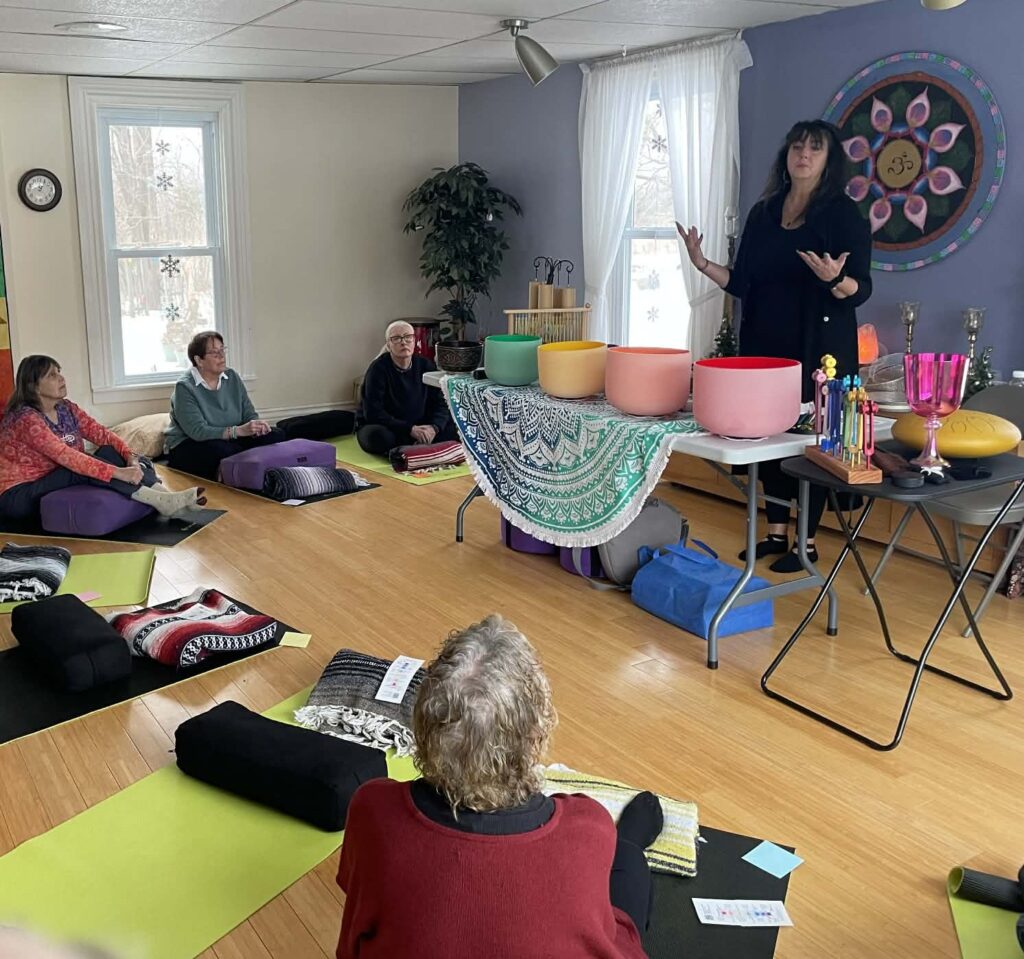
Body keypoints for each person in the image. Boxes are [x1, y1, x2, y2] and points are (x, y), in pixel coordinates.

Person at [336, 614, 661, 959]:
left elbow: (355, 931)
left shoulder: (373, 808)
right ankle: (632, 841)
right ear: (537, 730)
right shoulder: (586, 826)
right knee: (623, 870)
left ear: (423, 725)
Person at [678, 119, 873, 573]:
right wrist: (703, 263)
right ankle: (776, 533)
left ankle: (806, 543)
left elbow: (861, 289)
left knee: (811, 444)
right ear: (786, 156)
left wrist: (834, 279)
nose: (803, 155)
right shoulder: (764, 213)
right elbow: (743, 282)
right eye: (797, 147)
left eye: (815, 149)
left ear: (829, 160)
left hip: (819, 349)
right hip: (765, 349)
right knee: (768, 440)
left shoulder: (842, 214)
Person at [0, 356, 205, 521]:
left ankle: (168, 498)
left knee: (108, 451)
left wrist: (129, 458)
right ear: (34, 386)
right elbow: (67, 457)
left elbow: (102, 434)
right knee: (76, 466)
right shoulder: (25, 419)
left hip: (51, 480)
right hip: (17, 495)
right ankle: (164, 501)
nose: (61, 378)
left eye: (59, 372)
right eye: (52, 375)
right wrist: (119, 473)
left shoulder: (66, 408)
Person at [165, 331, 285, 480]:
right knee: (221, 451)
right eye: (215, 353)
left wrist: (256, 426)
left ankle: (247, 469)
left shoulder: (232, 377)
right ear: (199, 360)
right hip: (191, 443)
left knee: (276, 435)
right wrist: (237, 432)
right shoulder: (184, 387)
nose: (221, 356)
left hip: (231, 437)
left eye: (222, 350)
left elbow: (248, 412)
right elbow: (198, 431)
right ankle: (245, 471)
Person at [355, 320, 456, 456]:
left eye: (408, 337)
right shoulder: (378, 369)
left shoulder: (426, 365)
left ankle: (416, 443)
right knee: (377, 437)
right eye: (396, 338)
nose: (404, 342)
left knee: (459, 428)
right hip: (390, 427)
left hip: (422, 425)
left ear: (414, 341)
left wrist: (434, 428)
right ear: (389, 345)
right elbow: (373, 413)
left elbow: (442, 403)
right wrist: (409, 429)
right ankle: (417, 444)